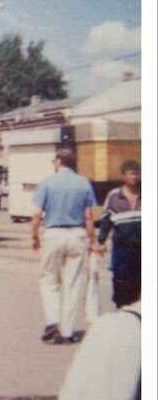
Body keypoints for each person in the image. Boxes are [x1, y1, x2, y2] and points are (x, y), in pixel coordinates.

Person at [31, 147, 98, 345]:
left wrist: (34, 236)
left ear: (59, 161)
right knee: (73, 283)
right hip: (77, 235)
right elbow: (88, 217)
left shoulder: (47, 183)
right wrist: (92, 242)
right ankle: (67, 332)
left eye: (54, 161)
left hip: (53, 234)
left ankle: (52, 319)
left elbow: (36, 214)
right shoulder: (83, 183)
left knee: (49, 279)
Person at [97, 160, 140, 309]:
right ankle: (122, 310)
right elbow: (106, 221)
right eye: (131, 174)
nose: (134, 177)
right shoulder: (114, 196)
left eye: (137, 174)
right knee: (121, 282)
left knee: (139, 283)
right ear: (123, 176)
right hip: (122, 249)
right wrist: (101, 242)